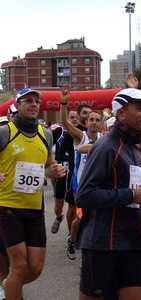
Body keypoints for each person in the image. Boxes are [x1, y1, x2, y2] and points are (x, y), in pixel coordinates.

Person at [75, 87, 141, 300]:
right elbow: (84, 196)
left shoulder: (136, 148)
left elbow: (125, 191)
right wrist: (131, 196)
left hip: (132, 240)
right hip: (103, 243)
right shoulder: (105, 146)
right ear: (121, 114)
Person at [0, 88, 66, 300]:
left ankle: (7, 285)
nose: (33, 104)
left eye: (37, 101)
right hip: (7, 207)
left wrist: (54, 170)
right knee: (19, 267)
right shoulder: (4, 132)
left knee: (35, 269)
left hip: (35, 209)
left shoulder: (45, 134)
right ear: (17, 106)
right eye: (27, 100)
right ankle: (11, 288)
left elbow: (46, 167)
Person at [60, 84, 102, 261]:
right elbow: (64, 122)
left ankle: (92, 246)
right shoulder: (79, 136)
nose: (93, 122)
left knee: (97, 216)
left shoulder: (104, 139)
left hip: (98, 183)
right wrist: (64, 104)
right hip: (81, 183)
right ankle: (72, 240)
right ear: (86, 122)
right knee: (82, 215)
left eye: (97, 120)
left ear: (100, 123)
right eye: (91, 119)